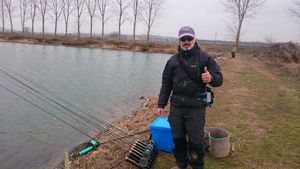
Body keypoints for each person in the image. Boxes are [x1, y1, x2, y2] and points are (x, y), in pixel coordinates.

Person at [156, 26, 223, 169]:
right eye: (183, 39)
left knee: (196, 141)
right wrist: (161, 104)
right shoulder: (172, 61)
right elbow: (166, 84)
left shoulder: (205, 58)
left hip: (196, 107)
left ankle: (197, 166)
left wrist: (211, 77)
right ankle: (181, 164)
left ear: (194, 39)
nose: (186, 42)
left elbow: (219, 79)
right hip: (177, 107)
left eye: (189, 39)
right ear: (179, 41)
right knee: (178, 139)